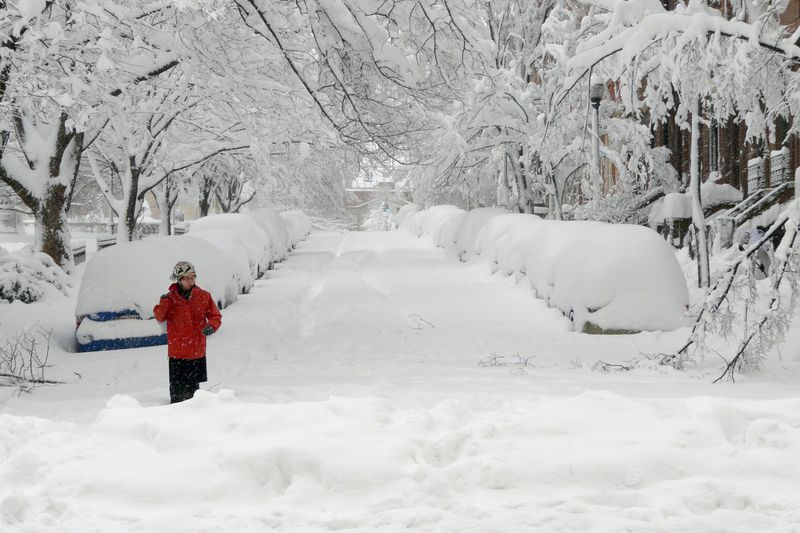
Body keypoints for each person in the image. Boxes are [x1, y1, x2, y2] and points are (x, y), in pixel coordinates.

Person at [153, 261, 222, 403]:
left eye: (192, 277)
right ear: (179, 279)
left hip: (196, 350)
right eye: (186, 278)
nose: (190, 281)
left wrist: (212, 326)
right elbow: (160, 316)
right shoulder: (169, 298)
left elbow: (216, 316)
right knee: (177, 392)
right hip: (177, 352)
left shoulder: (204, 296)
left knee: (194, 392)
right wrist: (164, 303)